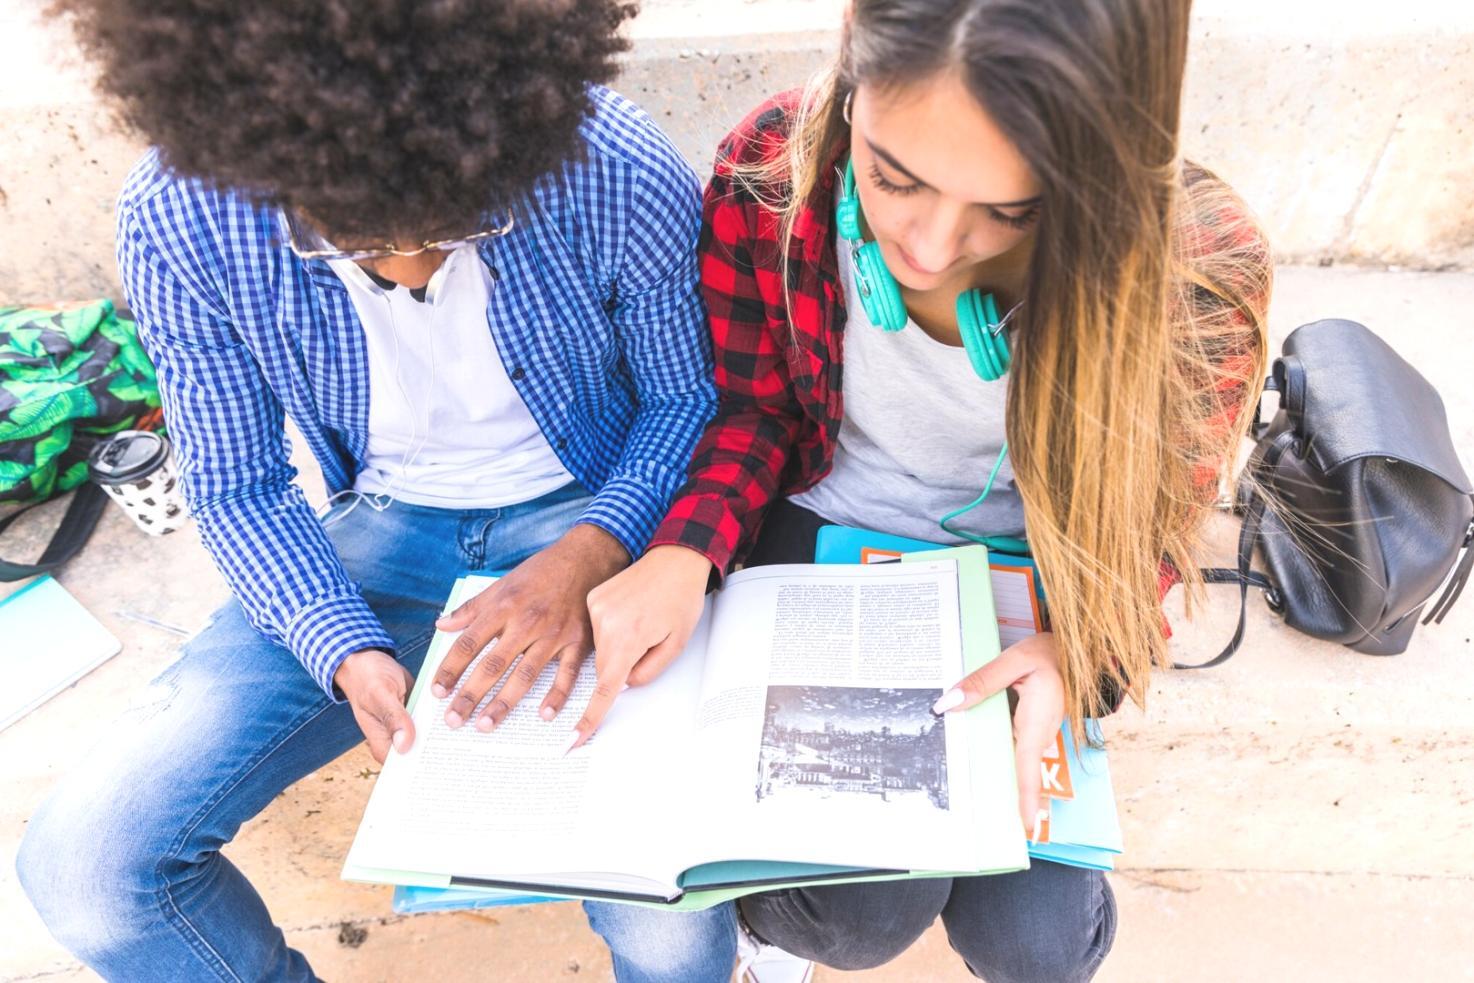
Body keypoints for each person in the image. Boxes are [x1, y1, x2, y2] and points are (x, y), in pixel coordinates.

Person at [16, 1, 718, 979]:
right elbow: (239, 482)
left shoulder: (610, 163)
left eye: (450, 224)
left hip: (597, 517)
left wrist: (594, 548)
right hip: (376, 538)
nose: (410, 266)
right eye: (354, 238)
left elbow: (686, 399)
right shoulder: (183, 213)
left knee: (671, 918)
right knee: (86, 870)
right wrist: (339, 644)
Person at [578, 0, 1271, 979]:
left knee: (1034, 944)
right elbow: (754, 415)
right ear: (851, 54)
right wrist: (683, 548)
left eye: (1011, 209)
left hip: (1033, 580)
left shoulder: (1194, 272)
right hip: (822, 534)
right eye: (893, 178)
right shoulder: (773, 170)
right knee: (853, 920)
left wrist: (1082, 650)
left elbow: (1150, 534)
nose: (935, 248)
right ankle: (770, 932)